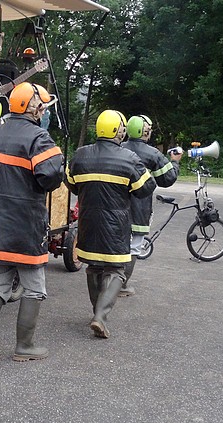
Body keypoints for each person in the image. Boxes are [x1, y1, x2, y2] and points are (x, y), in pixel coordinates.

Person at [0, 82, 64, 362]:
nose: (45, 110)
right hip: (24, 228)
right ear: (34, 107)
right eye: (43, 105)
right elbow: (50, 178)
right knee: (35, 288)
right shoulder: (39, 138)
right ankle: (25, 346)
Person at [66, 110, 156, 338]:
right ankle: (101, 317)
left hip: (88, 223)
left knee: (94, 268)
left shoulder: (80, 155)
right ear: (120, 131)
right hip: (116, 226)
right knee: (115, 270)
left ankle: (96, 312)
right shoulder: (128, 158)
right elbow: (146, 188)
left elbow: (70, 183)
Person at [119, 115, 183, 296]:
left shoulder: (117, 148)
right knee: (133, 248)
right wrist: (175, 161)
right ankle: (121, 286)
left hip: (114, 209)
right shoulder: (152, 153)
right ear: (145, 131)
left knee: (113, 245)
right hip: (138, 210)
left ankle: (105, 283)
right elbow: (168, 178)